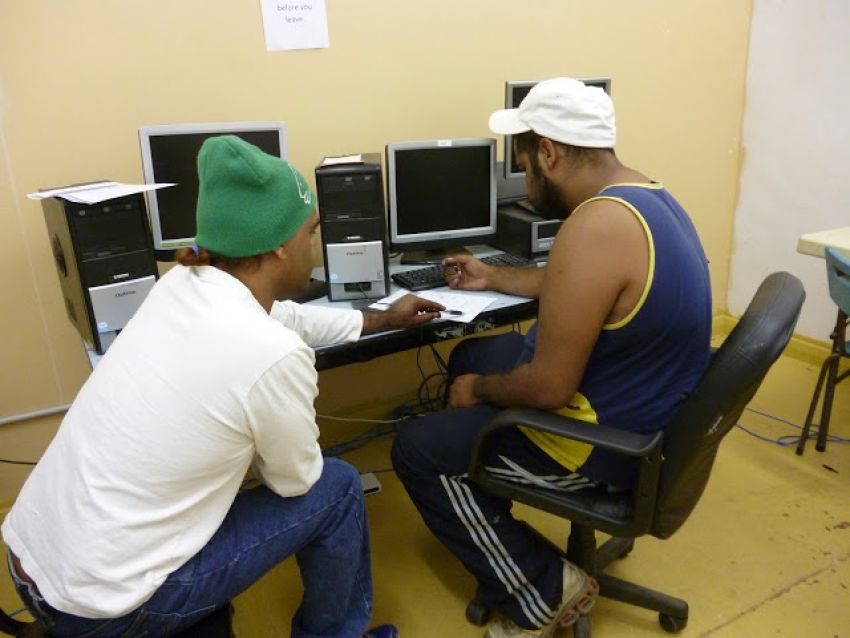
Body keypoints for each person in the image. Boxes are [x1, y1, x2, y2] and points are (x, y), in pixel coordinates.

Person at [2, 135, 444, 638]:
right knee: (338, 486)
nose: (315, 245)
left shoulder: (180, 285)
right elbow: (296, 482)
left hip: (31, 557)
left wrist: (380, 319)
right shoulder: (272, 354)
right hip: (105, 607)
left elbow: (282, 316)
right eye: (311, 231)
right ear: (279, 245)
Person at [391, 77, 712, 638]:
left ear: (548, 153)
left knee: (418, 450)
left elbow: (547, 389)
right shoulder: (645, 198)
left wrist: (478, 393)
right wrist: (492, 275)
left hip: (603, 447)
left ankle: (538, 591)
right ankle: (495, 520)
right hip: (648, 414)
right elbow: (576, 283)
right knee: (472, 354)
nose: (520, 173)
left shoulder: (594, 226)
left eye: (522, 158)